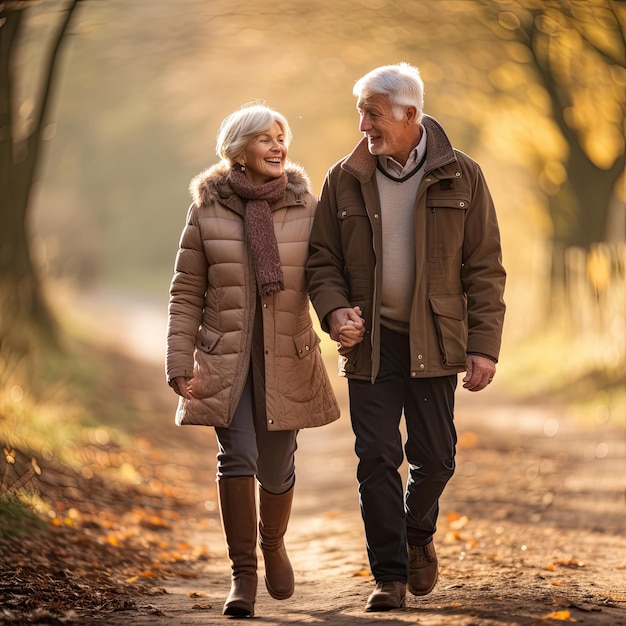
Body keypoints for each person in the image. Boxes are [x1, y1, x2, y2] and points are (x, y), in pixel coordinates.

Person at [306, 63, 506, 612]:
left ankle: (418, 533)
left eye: (372, 113)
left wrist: (484, 345)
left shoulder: (462, 175)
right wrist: (334, 311)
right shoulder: (343, 176)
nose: (363, 125)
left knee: (436, 459)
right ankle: (389, 576)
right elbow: (321, 260)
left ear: (409, 115)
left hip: (435, 340)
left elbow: (484, 267)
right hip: (370, 344)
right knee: (375, 456)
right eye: (361, 112)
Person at [166, 103, 340, 618]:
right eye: (265, 138)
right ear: (239, 149)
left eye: (282, 137)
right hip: (227, 359)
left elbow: (329, 277)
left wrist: (343, 320)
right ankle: (243, 574)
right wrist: (179, 357)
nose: (278, 145)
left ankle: (273, 542)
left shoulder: (308, 207)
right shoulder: (207, 211)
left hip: (286, 354)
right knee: (236, 458)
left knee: (277, 465)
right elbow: (186, 291)